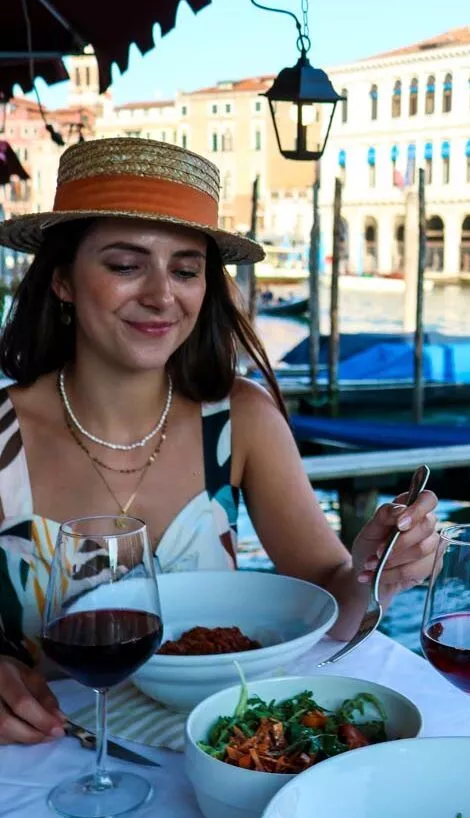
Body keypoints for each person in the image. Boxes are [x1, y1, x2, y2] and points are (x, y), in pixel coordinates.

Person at [0, 138, 439, 746]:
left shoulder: (243, 418)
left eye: (185, 270)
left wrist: (374, 570)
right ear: (62, 282)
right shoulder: (3, 435)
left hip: (222, 746)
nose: (162, 296)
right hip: (44, 760)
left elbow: (333, 598)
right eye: (125, 265)